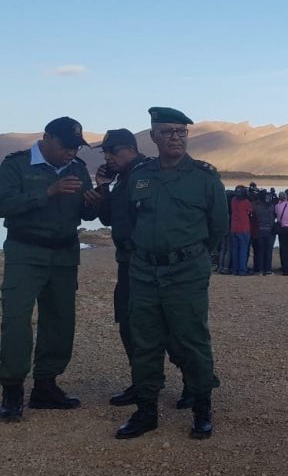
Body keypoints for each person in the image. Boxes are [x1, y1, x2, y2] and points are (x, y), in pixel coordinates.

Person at [115, 107, 228, 440]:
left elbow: (218, 227)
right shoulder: (140, 175)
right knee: (144, 341)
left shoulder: (204, 177)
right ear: (153, 136)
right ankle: (146, 411)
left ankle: (202, 409)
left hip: (186, 272)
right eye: (167, 131)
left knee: (192, 340)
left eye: (181, 131)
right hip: (144, 271)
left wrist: (191, 256)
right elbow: (128, 220)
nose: (175, 137)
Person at [0, 117, 101, 422]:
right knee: (16, 319)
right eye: (66, 146)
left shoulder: (78, 168)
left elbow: (85, 213)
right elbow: (3, 204)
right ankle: (12, 389)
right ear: (46, 138)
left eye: (76, 147)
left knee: (60, 320)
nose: (71, 152)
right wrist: (48, 192)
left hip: (64, 254)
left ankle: (45, 385)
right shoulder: (16, 165)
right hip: (25, 251)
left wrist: (93, 203)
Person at [94, 129, 190, 408]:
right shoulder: (123, 178)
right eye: (105, 153)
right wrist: (103, 187)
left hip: (148, 264)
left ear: (130, 149)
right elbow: (109, 218)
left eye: (112, 152)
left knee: (166, 326)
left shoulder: (148, 173)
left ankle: (193, 382)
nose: (108, 158)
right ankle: (142, 382)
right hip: (127, 262)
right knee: (128, 323)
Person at [251, 189, 276, 275]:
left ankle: (260, 270)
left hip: (260, 230)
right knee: (268, 251)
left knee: (260, 251)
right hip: (270, 230)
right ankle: (268, 269)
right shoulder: (272, 206)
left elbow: (254, 215)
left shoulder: (256, 206)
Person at [230, 186, 253, 275]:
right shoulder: (246, 202)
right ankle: (242, 270)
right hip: (243, 228)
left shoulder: (233, 200)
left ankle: (235, 269)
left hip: (234, 227)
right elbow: (251, 210)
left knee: (235, 250)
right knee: (243, 250)